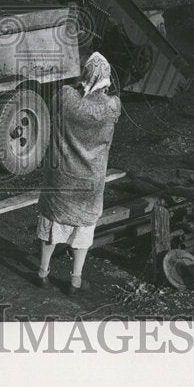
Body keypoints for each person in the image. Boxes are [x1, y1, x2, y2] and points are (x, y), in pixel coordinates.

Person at [35, 52, 122, 295]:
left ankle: (42, 273)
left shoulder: (65, 97)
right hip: (90, 182)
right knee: (83, 228)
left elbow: (59, 102)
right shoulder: (112, 106)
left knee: (52, 223)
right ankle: (75, 280)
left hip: (61, 178)